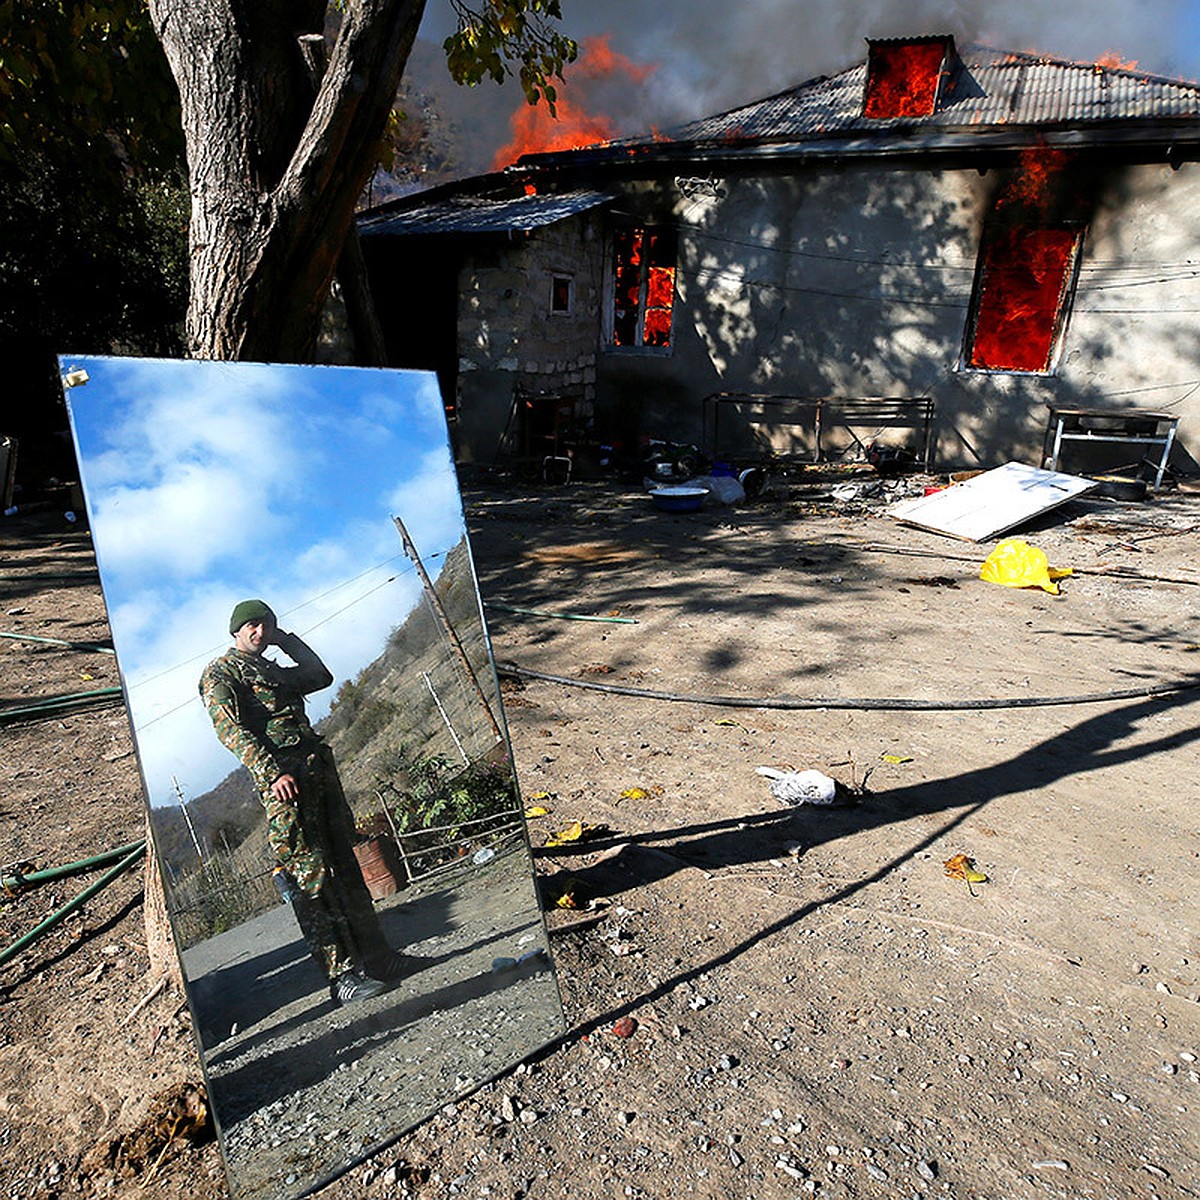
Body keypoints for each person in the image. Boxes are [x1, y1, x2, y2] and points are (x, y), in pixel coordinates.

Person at [199, 599, 412, 1005]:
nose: (260, 632)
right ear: (236, 630)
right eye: (253, 626)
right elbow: (230, 731)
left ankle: (379, 958)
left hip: (317, 777)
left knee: (346, 867)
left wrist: (287, 640)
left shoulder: (271, 670)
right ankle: (342, 976)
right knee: (309, 878)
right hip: (285, 784)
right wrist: (270, 772)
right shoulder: (221, 672)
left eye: (267, 625)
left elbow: (320, 675)